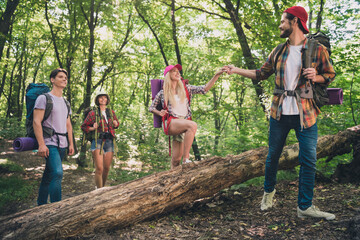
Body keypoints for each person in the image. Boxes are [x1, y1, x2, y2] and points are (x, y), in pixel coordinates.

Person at [224, 6, 336, 220]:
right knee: (273, 156)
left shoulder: (316, 49)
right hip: (279, 114)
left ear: (295, 22)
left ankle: (305, 207)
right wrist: (235, 70)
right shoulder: (278, 50)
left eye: (283, 21)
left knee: (309, 160)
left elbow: (329, 74)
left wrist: (316, 76)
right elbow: (260, 74)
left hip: (306, 112)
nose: (280, 25)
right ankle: (268, 193)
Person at [149, 64, 225, 169]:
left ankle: (172, 180)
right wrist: (159, 112)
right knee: (192, 125)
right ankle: (186, 159)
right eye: (174, 71)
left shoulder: (186, 89)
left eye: (178, 71)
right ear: (168, 75)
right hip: (170, 123)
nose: (177, 73)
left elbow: (204, 89)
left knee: (175, 160)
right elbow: (151, 107)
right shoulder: (163, 93)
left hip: (183, 123)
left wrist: (217, 75)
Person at [33, 68, 74, 205]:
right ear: (52, 80)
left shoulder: (66, 102)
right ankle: (57, 208)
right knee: (57, 173)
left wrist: (71, 144)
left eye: (65, 78)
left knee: (49, 174)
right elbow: (36, 121)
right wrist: (41, 144)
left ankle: (41, 204)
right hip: (49, 141)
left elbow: (68, 124)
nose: (64, 79)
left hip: (62, 143)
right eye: (61, 77)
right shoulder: (44, 98)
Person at [81, 91, 119, 189]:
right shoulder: (93, 113)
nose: (103, 99)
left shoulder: (111, 112)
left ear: (107, 100)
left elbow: (117, 124)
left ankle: (102, 188)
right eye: (101, 98)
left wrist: (116, 124)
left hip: (109, 141)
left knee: (106, 169)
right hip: (97, 141)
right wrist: (93, 128)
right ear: (97, 100)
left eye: (105, 98)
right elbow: (84, 127)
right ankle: (99, 190)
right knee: (99, 168)